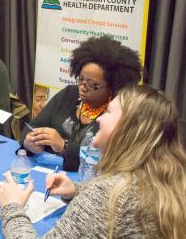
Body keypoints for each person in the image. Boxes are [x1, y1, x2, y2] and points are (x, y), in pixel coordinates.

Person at [0, 85, 186, 239]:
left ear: (129, 130)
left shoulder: (106, 197)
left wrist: (12, 208)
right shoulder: (181, 183)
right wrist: (77, 189)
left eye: (110, 112)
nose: (100, 119)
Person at [20, 36, 142, 171]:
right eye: (81, 79)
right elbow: (32, 127)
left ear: (113, 87)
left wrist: (64, 146)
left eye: (93, 85)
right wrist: (29, 142)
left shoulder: (116, 113)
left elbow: (107, 159)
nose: (82, 87)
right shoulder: (68, 94)